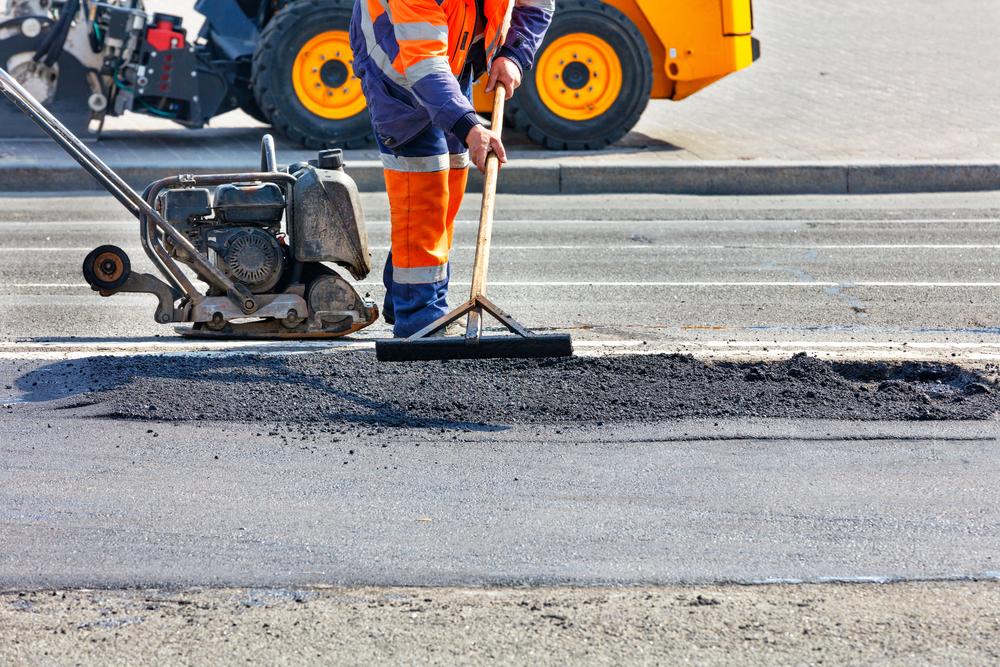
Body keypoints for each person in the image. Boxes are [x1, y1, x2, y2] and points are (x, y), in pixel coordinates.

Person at [350, 0, 554, 337]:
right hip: (398, 70)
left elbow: (537, 4)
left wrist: (514, 54)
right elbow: (424, 64)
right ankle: (420, 317)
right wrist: (471, 126)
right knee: (425, 189)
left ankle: (403, 296)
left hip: (451, 60)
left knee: (452, 178)